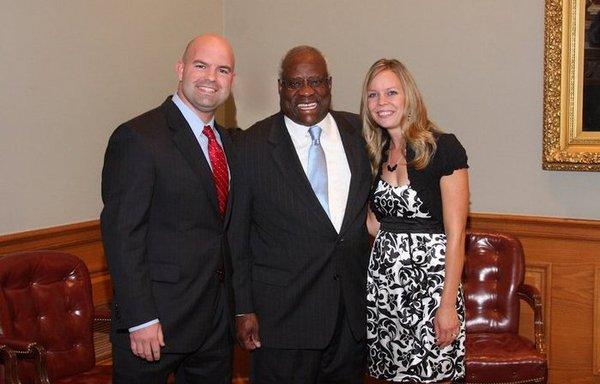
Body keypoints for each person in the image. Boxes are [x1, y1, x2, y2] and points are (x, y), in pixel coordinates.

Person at [230, 46, 372, 383]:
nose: (306, 92)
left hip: (350, 318)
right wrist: (242, 307)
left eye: (315, 81)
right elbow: (236, 236)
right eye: (294, 84)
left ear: (329, 84)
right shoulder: (251, 146)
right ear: (280, 87)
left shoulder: (362, 135)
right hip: (282, 320)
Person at [100, 34, 236, 384]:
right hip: (154, 327)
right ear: (180, 68)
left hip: (215, 326)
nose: (211, 77)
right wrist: (141, 318)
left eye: (223, 70)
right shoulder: (138, 137)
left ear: (231, 81)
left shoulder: (229, 143)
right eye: (201, 65)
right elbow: (121, 235)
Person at [361, 59, 469, 383]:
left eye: (391, 92)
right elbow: (372, 224)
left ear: (408, 96)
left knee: (432, 375)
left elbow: (457, 234)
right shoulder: (374, 153)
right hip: (385, 290)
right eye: (373, 95)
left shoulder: (443, 148)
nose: (382, 103)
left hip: (431, 290)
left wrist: (447, 304)